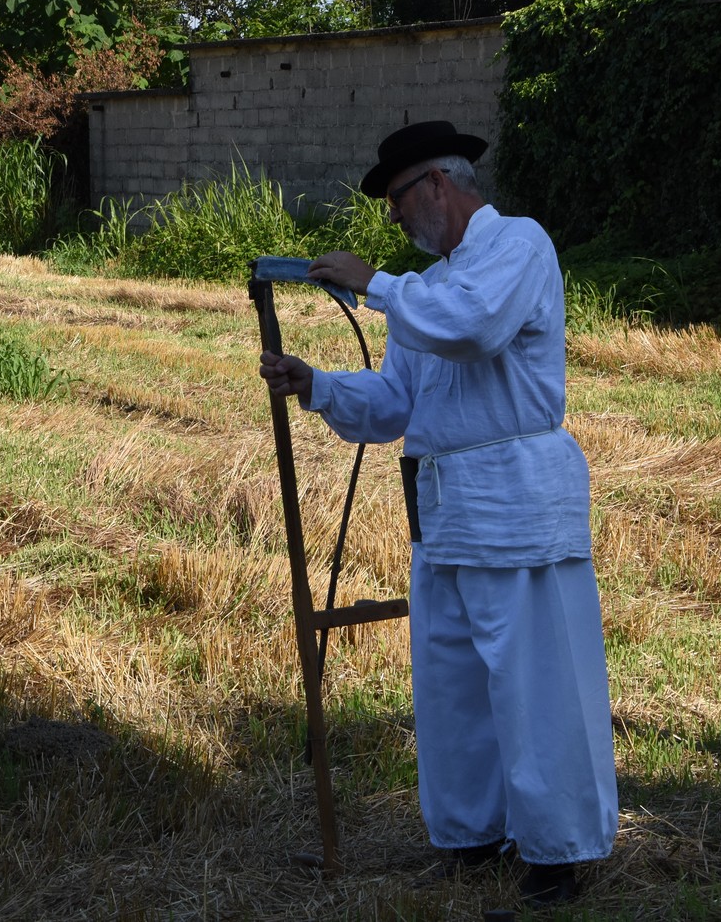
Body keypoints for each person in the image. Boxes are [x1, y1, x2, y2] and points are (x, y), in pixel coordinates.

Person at [258, 120, 618, 905]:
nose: (392, 220)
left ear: (437, 185)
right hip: (446, 509)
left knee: (535, 681)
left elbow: (474, 326)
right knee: (451, 687)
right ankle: (472, 835)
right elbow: (397, 402)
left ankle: (557, 854)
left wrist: (374, 285)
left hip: (518, 502)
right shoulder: (430, 290)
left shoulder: (517, 247)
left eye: (395, 201)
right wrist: (315, 384)